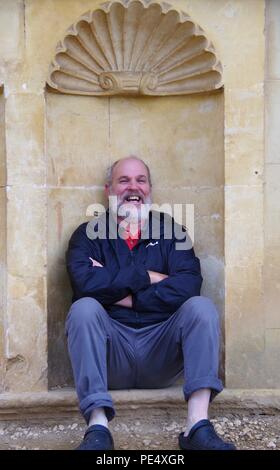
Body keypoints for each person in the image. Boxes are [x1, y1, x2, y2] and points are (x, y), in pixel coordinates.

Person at [65, 156, 236, 451]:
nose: (134, 187)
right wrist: (148, 276)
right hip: (110, 354)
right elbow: (86, 286)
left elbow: (188, 285)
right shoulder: (87, 235)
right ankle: (97, 429)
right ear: (109, 190)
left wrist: (121, 290)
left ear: (150, 187)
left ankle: (197, 427)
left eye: (140, 180)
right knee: (84, 309)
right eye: (124, 180)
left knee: (201, 308)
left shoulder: (173, 232)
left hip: (162, 350)